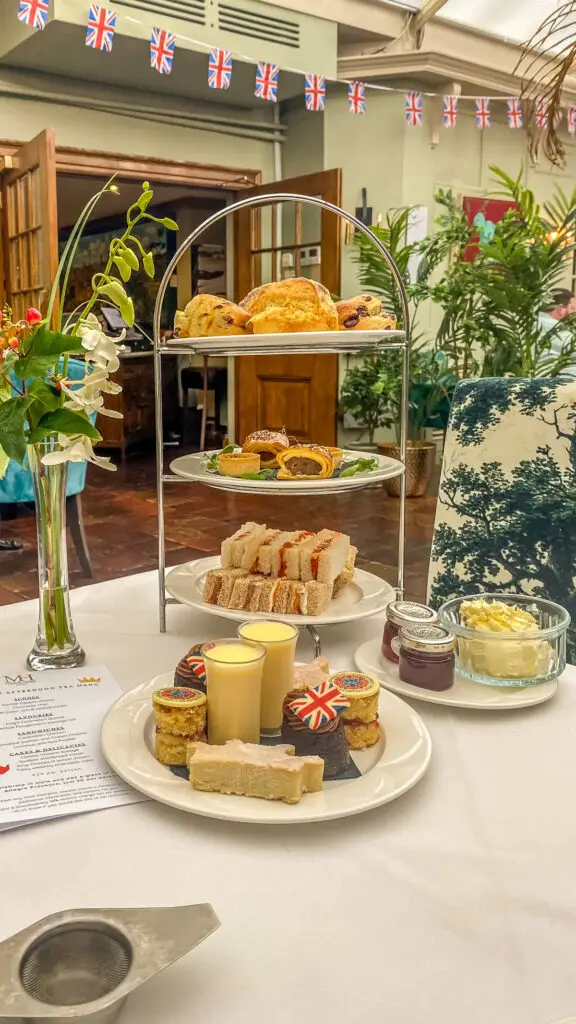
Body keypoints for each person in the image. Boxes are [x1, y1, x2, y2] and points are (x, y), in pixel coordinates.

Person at [538, 289, 576, 375]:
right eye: (572, 308)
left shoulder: (530, 324)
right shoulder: (558, 331)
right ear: (560, 308)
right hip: (555, 383)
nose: (574, 312)